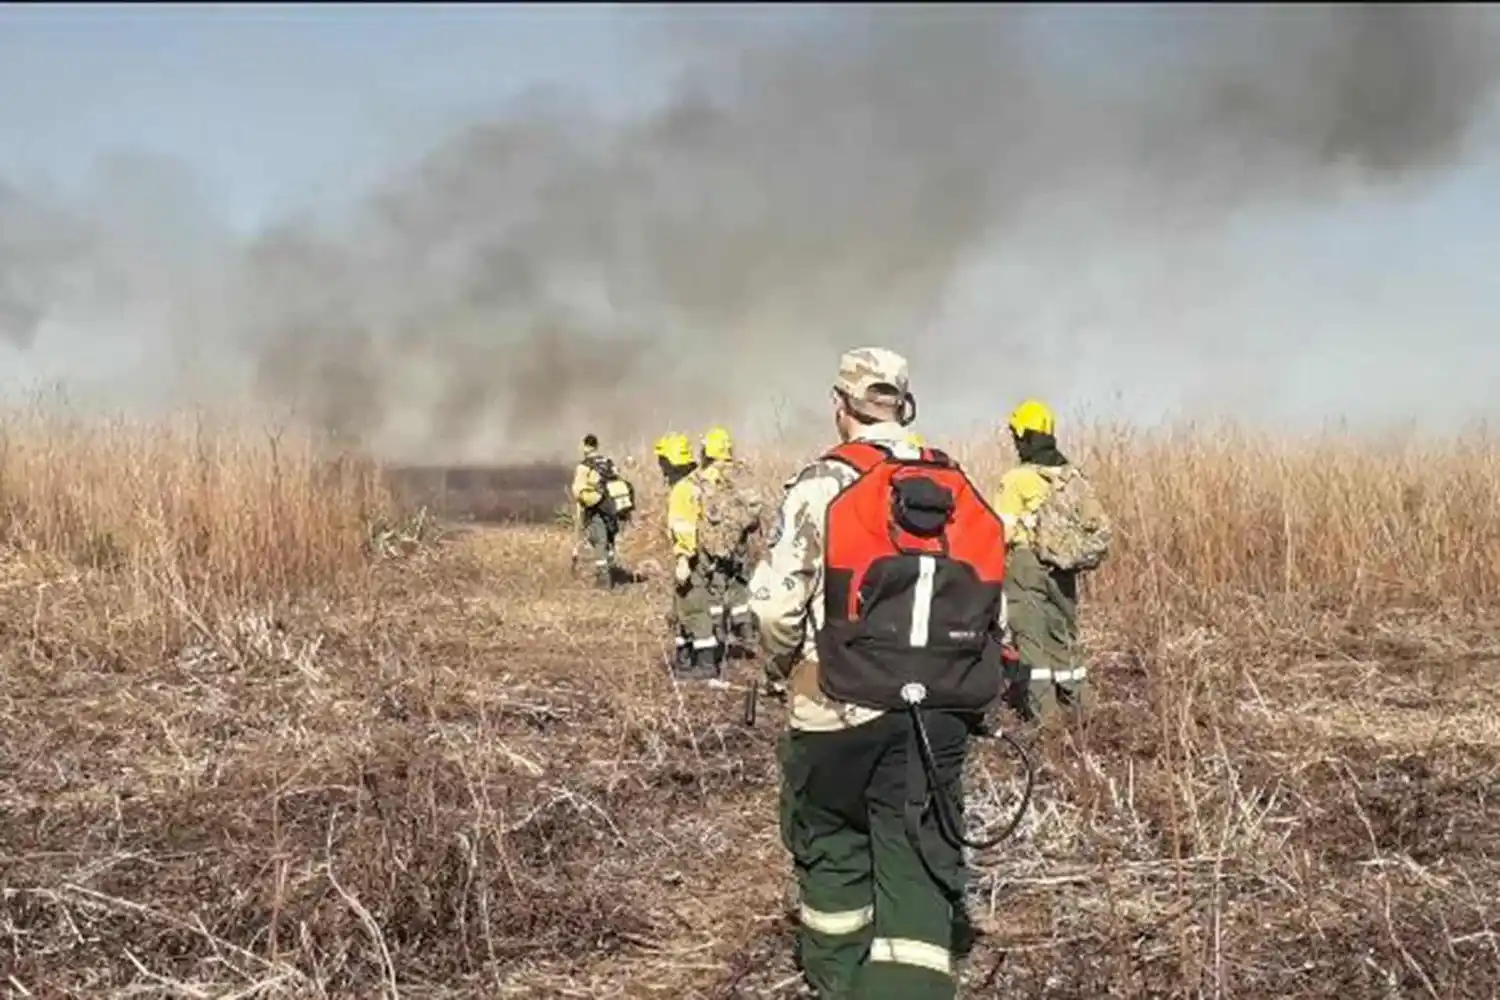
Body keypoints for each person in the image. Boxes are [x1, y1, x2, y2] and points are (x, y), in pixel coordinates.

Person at [747, 348, 1009, 999]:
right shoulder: (954, 485)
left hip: (835, 703)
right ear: (904, 404)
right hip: (939, 712)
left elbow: (774, 602)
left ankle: (840, 980)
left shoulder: (821, 483)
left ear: (842, 406)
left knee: (832, 843)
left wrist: (787, 670)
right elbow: (990, 605)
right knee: (920, 860)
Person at [993, 400, 1109, 720]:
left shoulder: (1016, 479)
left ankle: (1046, 719)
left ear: (1021, 435)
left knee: (1031, 640)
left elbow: (1002, 531)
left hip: (1026, 565)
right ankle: (1081, 707)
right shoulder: (1071, 476)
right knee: (1064, 635)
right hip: (1064, 566)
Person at [656, 432, 726, 683]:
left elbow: (684, 526)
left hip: (692, 556)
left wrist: (684, 559)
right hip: (703, 554)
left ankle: (705, 663)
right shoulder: (697, 482)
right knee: (682, 606)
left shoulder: (683, 489)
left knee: (694, 606)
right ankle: (685, 658)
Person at [696, 426, 758, 650]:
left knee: (715, 589)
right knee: (740, 585)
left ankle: (717, 635)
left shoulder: (707, 477)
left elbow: (701, 509)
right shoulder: (741, 472)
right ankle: (746, 632)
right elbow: (753, 508)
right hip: (739, 541)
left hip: (715, 544)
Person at [569, 433, 630, 589]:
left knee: (599, 542)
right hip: (611, 507)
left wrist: (583, 500)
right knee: (609, 541)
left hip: (595, 509)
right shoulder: (608, 462)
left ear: (585, 446)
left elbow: (578, 491)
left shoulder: (584, 466)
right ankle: (611, 572)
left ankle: (603, 580)